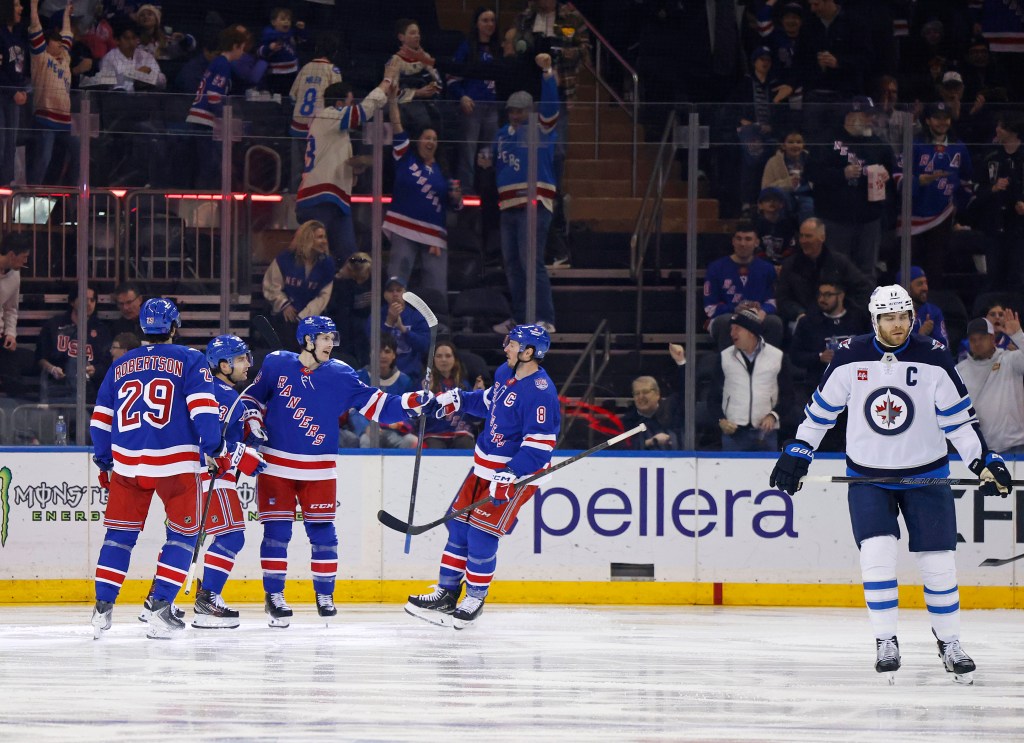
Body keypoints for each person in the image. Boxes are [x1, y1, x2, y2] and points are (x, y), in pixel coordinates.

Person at [770, 284, 1012, 683]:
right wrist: (800, 449)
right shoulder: (850, 355)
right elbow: (821, 411)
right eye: (889, 318)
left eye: (903, 317)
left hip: (926, 474)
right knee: (877, 555)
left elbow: (959, 421)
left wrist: (982, 460)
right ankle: (886, 640)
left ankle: (950, 643)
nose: (897, 325)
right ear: (875, 319)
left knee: (939, 565)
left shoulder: (932, 355)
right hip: (869, 477)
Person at [240, 315, 434, 627]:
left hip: (320, 468)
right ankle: (274, 596)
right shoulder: (277, 364)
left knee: (324, 536)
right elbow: (251, 397)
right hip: (275, 463)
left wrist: (412, 401)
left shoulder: (342, 374)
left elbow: (378, 404)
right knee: (277, 534)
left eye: (333, 338)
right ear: (307, 339)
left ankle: (325, 595)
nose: (331, 344)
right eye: (325, 338)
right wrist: (252, 421)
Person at [89, 298, 265, 640]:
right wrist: (215, 449)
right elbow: (203, 411)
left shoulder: (120, 364)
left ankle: (102, 609)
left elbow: (101, 419)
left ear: (142, 327)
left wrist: (104, 459)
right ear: (174, 327)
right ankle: (159, 605)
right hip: (176, 463)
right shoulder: (189, 358)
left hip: (127, 463)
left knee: (118, 538)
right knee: (183, 537)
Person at [406, 323, 560, 628]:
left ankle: (475, 596)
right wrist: (459, 399)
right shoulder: (506, 372)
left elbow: (540, 445)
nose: (506, 347)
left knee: (482, 533)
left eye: (513, 344)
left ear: (529, 352)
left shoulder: (542, 393)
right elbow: (490, 401)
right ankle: (447, 594)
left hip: (514, 475)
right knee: (458, 526)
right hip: (483, 466)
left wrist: (512, 473)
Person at [191, 333, 263, 628]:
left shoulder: (213, 391)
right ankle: (207, 601)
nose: (248, 364)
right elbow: (207, 441)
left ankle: (155, 600)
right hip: (212, 477)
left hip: (195, 477)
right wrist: (246, 452)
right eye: (241, 358)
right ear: (223, 364)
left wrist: (250, 427)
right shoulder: (223, 395)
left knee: (184, 540)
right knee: (232, 536)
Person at [294, 60, 399, 263]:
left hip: (336, 201)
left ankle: (346, 295)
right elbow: (364, 110)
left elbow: (331, 161)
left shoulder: (335, 133)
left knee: (350, 261)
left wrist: (356, 168)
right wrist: (386, 81)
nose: (353, 108)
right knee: (312, 258)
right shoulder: (329, 115)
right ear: (340, 104)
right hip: (319, 199)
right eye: (350, 103)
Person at [486, 53, 560, 335]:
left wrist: (547, 75)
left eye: (520, 110)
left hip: (534, 203)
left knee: (532, 262)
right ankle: (520, 318)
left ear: (530, 110)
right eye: (512, 111)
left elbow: (552, 108)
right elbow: (494, 160)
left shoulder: (540, 128)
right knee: (513, 266)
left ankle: (545, 317)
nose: (515, 115)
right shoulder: (502, 133)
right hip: (508, 205)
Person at [383, 90, 462, 318]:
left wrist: (456, 198)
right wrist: (392, 101)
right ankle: (392, 322)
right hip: (403, 227)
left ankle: (439, 329)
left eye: (435, 139)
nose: (431, 142)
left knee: (436, 286)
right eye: (427, 138)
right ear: (418, 140)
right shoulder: (405, 157)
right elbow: (396, 124)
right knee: (397, 278)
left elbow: (454, 205)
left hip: (434, 236)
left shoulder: (442, 171)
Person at [805, 96, 894, 280]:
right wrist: (841, 174)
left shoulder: (878, 144)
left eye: (872, 115)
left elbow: (891, 170)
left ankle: (864, 308)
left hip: (868, 219)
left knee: (867, 270)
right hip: (836, 219)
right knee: (836, 268)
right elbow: (812, 173)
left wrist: (886, 175)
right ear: (851, 116)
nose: (871, 119)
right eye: (866, 115)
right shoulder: (827, 141)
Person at [899, 102, 973, 287]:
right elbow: (898, 177)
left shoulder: (959, 147)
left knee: (935, 266)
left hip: (942, 216)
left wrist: (957, 207)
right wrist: (918, 182)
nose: (942, 122)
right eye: (937, 118)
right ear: (927, 120)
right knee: (911, 266)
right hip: (913, 216)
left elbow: (966, 181)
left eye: (945, 118)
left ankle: (932, 309)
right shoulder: (914, 144)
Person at [708, 308, 793, 452]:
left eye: (737, 329)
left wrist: (773, 416)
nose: (732, 333)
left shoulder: (777, 357)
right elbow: (713, 398)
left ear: (751, 331)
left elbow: (788, 396)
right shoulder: (724, 357)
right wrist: (721, 420)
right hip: (733, 434)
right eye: (731, 329)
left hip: (766, 434)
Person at [775, 218, 874, 326]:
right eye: (801, 236)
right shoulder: (790, 265)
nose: (803, 240)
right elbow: (783, 299)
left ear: (822, 237)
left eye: (808, 236)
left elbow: (864, 288)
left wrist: (847, 311)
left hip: (837, 317)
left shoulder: (839, 262)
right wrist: (799, 313)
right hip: (804, 319)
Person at [703, 221, 784, 350]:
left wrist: (763, 311)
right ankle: (728, 367)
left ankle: (767, 367)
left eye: (748, 239)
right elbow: (710, 307)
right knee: (726, 321)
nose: (743, 243)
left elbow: (773, 300)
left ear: (756, 242)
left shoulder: (767, 269)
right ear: (733, 241)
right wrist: (734, 309)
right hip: (726, 317)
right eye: (739, 238)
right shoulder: (716, 268)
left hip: (757, 316)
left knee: (774, 322)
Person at [185, 25, 248, 189]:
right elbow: (213, 95)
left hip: (200, 118)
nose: (243, 53)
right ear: (235, 46)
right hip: (204, 120)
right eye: (242, 48)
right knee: (210, 165)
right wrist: (225, 118)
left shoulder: (217, 62)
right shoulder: (223, 64)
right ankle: (206, 200)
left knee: (208, 165)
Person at [447, 7, 500, 192]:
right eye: (485, 20)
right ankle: (467, 191)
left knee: (488, 153)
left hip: (493, 107)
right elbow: (452, 78)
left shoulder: (498, 48)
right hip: (473, 107)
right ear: (476, 24)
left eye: (492, 20)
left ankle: (486, 189)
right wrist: (462, 96)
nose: (489, 24)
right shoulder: (467, 47)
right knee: (468, 152)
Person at [262, 220, 335, 351]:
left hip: (312, 318)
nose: (324, 241)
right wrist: (284, 305)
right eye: (319, 237)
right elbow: (271, 286)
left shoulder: (327, 264)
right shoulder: (285, 259)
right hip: (285, 316)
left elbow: (323, 296)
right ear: (307, 238)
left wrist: (305, 316)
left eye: (325, 237)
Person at [957, 314, 1024, 455]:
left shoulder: (1010, 360)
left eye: (982, 338)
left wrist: (1018, 335)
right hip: (981, 450)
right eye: (973, 340)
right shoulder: (960, 370)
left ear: (992, 338)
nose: (977, 343)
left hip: (1015, 447)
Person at [972, 114, 1024, 292]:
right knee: (994, 275)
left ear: (1013, 130)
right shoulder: (990, 154)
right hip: (994, 225)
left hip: (1019, 228)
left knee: (1017, 274)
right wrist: (992, 189)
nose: (997, 130)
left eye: (1001, 127)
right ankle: (995, 313)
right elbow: (977, 187)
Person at [27, 0, 76, 185]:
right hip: (45, 119)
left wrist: (66, 14)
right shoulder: (40, 58)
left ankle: (72, 192)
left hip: (65, 121)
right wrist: (33, 7)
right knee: (43, 158)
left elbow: (68, 34)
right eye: (56, 42)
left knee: (76, 153)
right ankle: (33, 191)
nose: (60, 44)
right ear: (47, 44)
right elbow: (35, 29)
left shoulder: (64, 59)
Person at [35, 286, 111, 403]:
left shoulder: (102, 330)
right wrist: (52, 369)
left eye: (92, 300)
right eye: (85, 299)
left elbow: (107, 363)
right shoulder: (53, 325)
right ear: (72, 301)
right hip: (57, 388)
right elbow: (40, 358)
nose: (89, 304)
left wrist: (95, 370)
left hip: (89, 390)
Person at [351, 334, 417, 449]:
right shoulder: (360, 377)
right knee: (366, 440)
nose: (382, 356)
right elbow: (353, 410)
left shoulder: (404, 381)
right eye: (378, 351)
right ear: (370, 354)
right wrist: (365, 427)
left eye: (387, 351)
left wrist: (401, 424)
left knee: (412, 440)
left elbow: (410, 412)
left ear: (394, 355)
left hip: (395, 433)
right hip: (369, 432)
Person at [621, 343, 686, 451]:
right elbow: (620, 447)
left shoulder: (671, 409)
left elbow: (687, 392)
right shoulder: (629, 421)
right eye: (637, 393)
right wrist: (649, 442)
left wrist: (681, 362)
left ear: (657, 394)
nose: (641, 397)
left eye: (645, 391)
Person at [423, 341, 483, 450]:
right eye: (439, 356)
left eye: (448, 356)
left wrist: (477, 399)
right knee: (435, 451)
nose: (444, 360)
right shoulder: (424, 384)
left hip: (462, 434)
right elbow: (418, 417)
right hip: (434, 435)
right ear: (433, 360)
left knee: (465, 444)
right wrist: (426, 394)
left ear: (455, 359)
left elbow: (476, 420)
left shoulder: (464, 386)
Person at [0, 0, 30, 187]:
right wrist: (13, 92)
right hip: (3, 94)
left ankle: (5, 186)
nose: (21, 9)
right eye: (17, 4)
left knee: (10, 143)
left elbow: (19, 68)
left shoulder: (17, 35)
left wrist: (22, 89)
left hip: (14, 95)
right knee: (2, 143)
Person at [376, 276, 430, 379]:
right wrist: (388, 323)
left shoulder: (416, 316)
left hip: (410, 375)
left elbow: (424, 346)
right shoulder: (377, 315)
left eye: (399, 290)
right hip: (381, 375)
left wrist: (403, 329)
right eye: (391, 291)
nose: (395, 294)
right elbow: (372, 344)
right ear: (385, 295)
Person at [327, 251, 372, 367]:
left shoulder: (376, 282)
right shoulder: (341, 284)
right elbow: (339, 314)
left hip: (365, 329)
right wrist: (340, 275)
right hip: (342, 329)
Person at [0, 235, 31, 395]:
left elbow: (11, 308)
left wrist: (11, 333)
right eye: (24, 257)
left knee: (14, 380)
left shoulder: (15, 276)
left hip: (1, 334)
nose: (25, 262)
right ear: (12, 255)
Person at [256, 6, 307, 97]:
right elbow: (260, 52)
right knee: (278, 99)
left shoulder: (292, 33)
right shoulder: (268, 36)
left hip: (292, 73)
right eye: (283, 19)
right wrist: (269, 48)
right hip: (276, 75)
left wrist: (301, 30)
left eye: (288, 19)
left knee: (291, 98)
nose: (286, 21)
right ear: (273, 22)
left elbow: (303, 40)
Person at [896, 266, 948, 348]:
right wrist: (920, 336)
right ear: (904, 287)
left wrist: (929, 337)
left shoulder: (933, 312)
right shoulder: (888, 314)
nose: (925, 288)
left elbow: (944, 348)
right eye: (919, 284)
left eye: (925, 283)